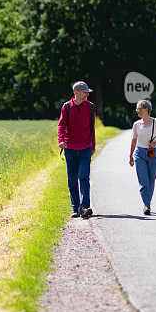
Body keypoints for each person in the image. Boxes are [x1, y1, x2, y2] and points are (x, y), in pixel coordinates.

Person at [58, 81, 96, 219]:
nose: (87, 94)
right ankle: (75, 207)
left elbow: (92, 127)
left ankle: (85, 206)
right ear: (77, 92)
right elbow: (61, 125)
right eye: (85, 92)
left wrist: (93, 145)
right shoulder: (67, 107)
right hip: (70, 148)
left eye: (87, 92)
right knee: (72, 179)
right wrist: (61, 140)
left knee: (84, 177)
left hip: (86, 147)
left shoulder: (90, 107)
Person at [128, 99, 156, 215]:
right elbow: (134, 140)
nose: (137, 110)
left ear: (146, 109)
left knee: (151, 179)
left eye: (139, 108)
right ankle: (146, 205)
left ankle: (147, 202)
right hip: (139, 153)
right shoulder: (136, 124)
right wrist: (130, 156)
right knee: (143, 180)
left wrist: (155, 143)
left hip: (153, 153)